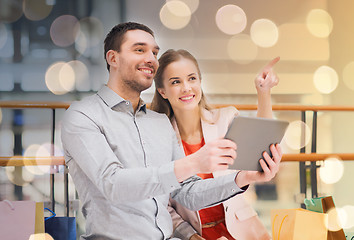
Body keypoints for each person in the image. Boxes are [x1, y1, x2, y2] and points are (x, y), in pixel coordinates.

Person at [61, 22, 282, 240]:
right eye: (140, 49)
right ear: (113, 58)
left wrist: (245, 177)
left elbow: (186, 192)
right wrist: (194, 163)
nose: (151, 58)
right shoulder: (83, 115)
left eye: (154, 52)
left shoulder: (159, 123)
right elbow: (113, 184)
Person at [150, 49, 280, 240]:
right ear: (162, 91)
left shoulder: (225, 119)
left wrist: (264, 92)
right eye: (176, 82)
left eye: (192, 78)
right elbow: (163, 205)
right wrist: (191, 237)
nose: (186, 87)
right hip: (196, 235)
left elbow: (261, 150)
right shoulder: (157, 139)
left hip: (242, 231)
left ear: (200, 82)